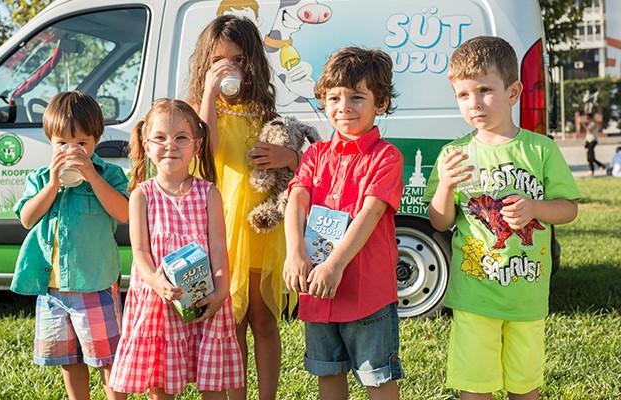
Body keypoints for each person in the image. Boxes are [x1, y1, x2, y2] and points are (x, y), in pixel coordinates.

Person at [423, 36, 580, 400]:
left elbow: (569, 208)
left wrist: (536, 208)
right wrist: (445, 185)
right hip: (475, 296)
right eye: (463, 95)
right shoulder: (454, 154)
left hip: (527, 297)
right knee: (475, 388)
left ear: (513, 92)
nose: (474, 103)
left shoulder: (540, 149)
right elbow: (439, 222)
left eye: (483, 90)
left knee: (525, 388)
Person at [283, 46, 405, 400]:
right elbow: (296, 200)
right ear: (323, 101)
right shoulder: (315, 154)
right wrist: (294, 253)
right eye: (334, 97)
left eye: (356, 97)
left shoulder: (386, 157)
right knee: (328, 372)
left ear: (380, 103)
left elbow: (370, 214)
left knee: (377, 378)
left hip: (366, 293)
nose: (344, 106)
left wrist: (335, 265)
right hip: (318, 290)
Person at [188, 15, 299, 400]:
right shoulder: (201, 112)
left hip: (261, 232)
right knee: (229, 321)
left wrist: (289, 156)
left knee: (263, 319)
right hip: (220, 231)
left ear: (252, 61)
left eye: (237, 59)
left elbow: (303, 166)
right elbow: (204, 154)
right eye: (219, 60)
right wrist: (208, 93)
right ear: (206, 64)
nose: (229, 67)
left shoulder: (264, 112)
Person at [109, 98, 243, 399]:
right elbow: (140, 251)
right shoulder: (141, 196)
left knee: (213, 379)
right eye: (160, 138)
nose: (171, 145)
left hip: (205, 295)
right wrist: (157, 283)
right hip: (159, 300)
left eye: (181, 137)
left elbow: (219, 247)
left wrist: (220, 291)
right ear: (146, 146)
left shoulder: (209, 194)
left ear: (196, 145)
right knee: (161, 381)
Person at [11, 91, 130, 400]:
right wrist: (52, 185)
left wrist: (91, 175)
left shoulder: (109, 174)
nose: (71, 151)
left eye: (81, 144)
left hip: (95, 285)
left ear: (97, 140)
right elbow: (26, 218)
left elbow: (124, 212)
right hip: (52, 291)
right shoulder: (40, 178)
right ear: (50, 142)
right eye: (62, 144)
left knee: (108, 359)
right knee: (69, 360)